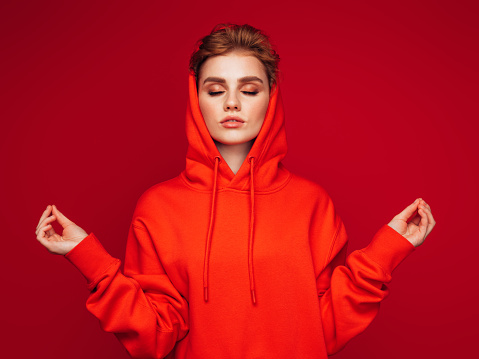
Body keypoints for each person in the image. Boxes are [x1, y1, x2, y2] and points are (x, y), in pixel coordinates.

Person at [35, 23, 436, 359]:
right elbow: (154, 335)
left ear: (271, 99)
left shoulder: (312, 203)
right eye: (215, 90)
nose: (231, 103)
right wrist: (86, 256)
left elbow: (324, 330)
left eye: (249, 89)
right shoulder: (158, 207)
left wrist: (389, 249)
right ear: (196, 100)